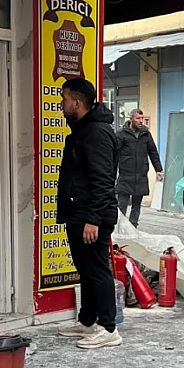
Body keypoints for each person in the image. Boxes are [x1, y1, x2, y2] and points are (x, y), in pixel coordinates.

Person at [55, 78, 122, 349]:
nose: (62, 104)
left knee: (97, 270)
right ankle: (87, 321)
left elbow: (103, 179)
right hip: (79, 213)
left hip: (92, 216)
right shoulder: (82, 130)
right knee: (85, 269)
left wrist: (93, 218)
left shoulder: (96, 133)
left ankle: (109, 329)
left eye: (64, 99)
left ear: (77, 102)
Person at [115, 109, 163, 227]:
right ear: (131, 118)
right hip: (126, 175)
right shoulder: (121, 134)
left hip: (141, 175)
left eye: (142, 118)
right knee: (122, 205)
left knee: (136, 206)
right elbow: (114, 154)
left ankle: (133, 227)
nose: (141, 121)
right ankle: (119, 227)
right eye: (138, 118)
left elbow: (153, 152)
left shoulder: (146, 133)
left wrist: (158, 169)